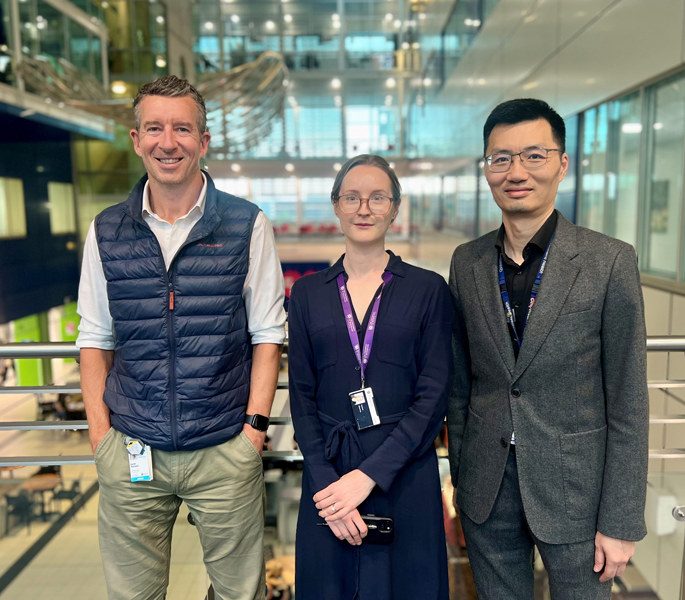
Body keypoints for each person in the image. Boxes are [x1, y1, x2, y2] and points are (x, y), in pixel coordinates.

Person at [76, 75, 286, 600]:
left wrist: (253, 433)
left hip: (224, 449)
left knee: (241, 594)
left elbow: (267, 334)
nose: (168, 142)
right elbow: (94, 338)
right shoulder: (105, 231)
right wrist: (103, 439)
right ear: (136, 139)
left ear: (204, 141)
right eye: (154, 128)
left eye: (182, 129)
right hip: (131, 449)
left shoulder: (247, 224)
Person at [447, 99, 649, 599]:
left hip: (577, 491)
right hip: (487, 491)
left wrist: (621, 519)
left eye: (534, 156)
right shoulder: (467, 262)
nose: (516, 171)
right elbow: (459, 384)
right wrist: (463, 480)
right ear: (487, 169)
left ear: (562, 164)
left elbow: (628, 399)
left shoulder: (608, 261)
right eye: (501, 158)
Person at [289, 155, 452, 599]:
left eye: (377, 197)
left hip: (405, 473)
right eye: (352, 197)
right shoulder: (306, 294)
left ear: (395, 208)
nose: (364, 208)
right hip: (330, 479)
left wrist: (368, 477)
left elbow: (434, 395)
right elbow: (301, 398)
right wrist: (328, 487)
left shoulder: (428, 289)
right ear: (336, 206)